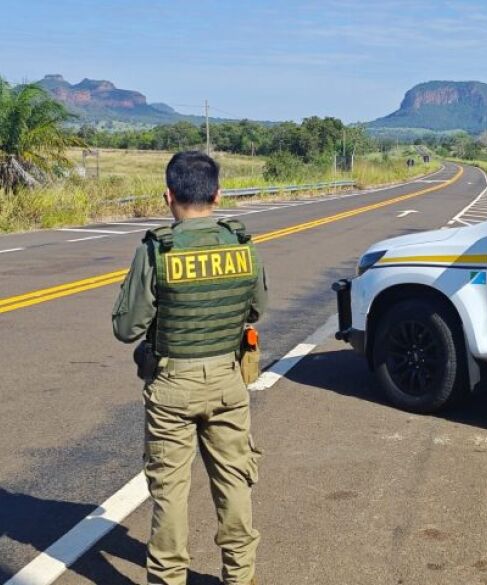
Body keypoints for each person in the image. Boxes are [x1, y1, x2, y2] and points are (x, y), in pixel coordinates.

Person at [112, 151, 267, 585]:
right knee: (235, 482)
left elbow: (126, 328)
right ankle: (241, 576)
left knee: (170, 492)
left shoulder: (157, 249)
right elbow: (257, 309)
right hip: (227, 379)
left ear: (168, 196)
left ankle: (167, 579)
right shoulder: (241, 244)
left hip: (171, 385)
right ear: (218, 195)